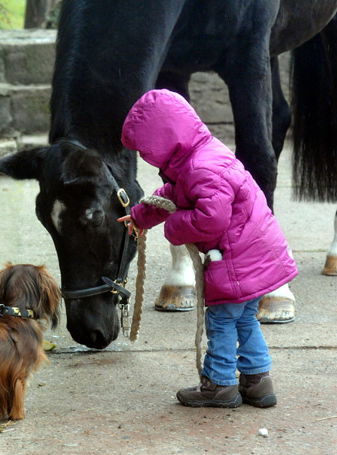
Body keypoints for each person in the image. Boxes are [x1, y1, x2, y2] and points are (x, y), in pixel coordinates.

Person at [118, 89, 298, 408]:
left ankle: (219, 383)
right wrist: (140, 216)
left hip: (235, 259)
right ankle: (258, 380)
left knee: (221, 320)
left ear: (163, 140)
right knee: (245, 319)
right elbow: (174, 195)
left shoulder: (201, 168)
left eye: (146, 150)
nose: (145, 157)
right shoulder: (201, 156)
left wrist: (174, 228)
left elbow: (211, 219)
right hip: (257, 252)